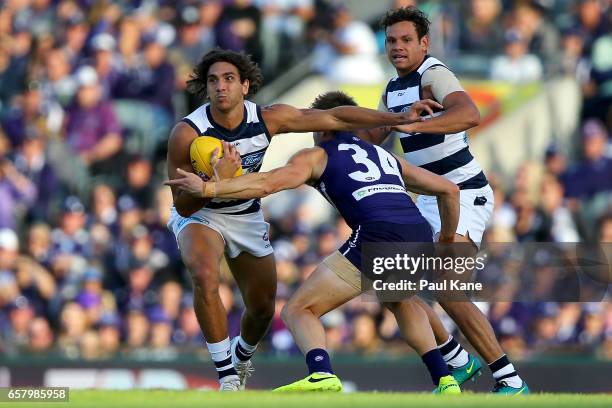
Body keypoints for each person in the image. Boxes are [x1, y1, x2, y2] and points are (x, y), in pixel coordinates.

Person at [165, 48, 439, 391]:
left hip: (246, 214)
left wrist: (398, 119)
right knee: (205, 275)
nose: (221, 87)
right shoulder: (186, 133)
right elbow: (183, 204)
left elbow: (336, 118)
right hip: (201, 214)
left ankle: (242, 356)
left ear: (245, 86)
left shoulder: (269, 118)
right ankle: (227, 377)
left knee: (263, 308)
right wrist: (212, 184)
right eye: (213, 81)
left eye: (229, 79)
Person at [363, 7, 528, 394]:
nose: (398, 47)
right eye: (391, 40)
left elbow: (469, 113)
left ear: (424, 43)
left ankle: (510, 379)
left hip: (463, 192)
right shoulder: (392, 89)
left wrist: (412, 123)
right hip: (428, 199)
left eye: (406, 40)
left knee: (449, 289)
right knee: (391, 281)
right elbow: (374, 136)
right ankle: (456, 358)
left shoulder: (433, 74)